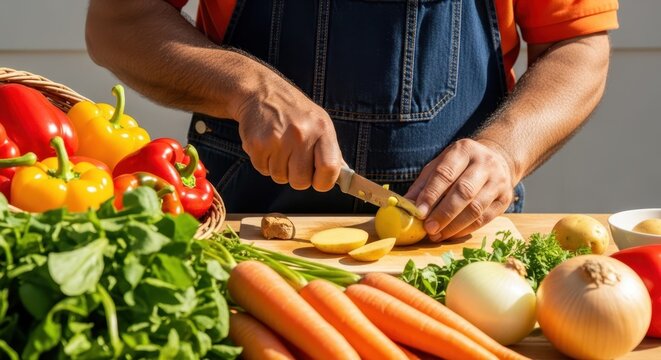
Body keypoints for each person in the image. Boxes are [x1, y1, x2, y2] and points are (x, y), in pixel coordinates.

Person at [85, 0, 618, 241]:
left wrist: (506, 151)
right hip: (246, 239)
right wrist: (247, 87)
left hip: (458, 253)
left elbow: (577, 46)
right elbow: (117, 22)